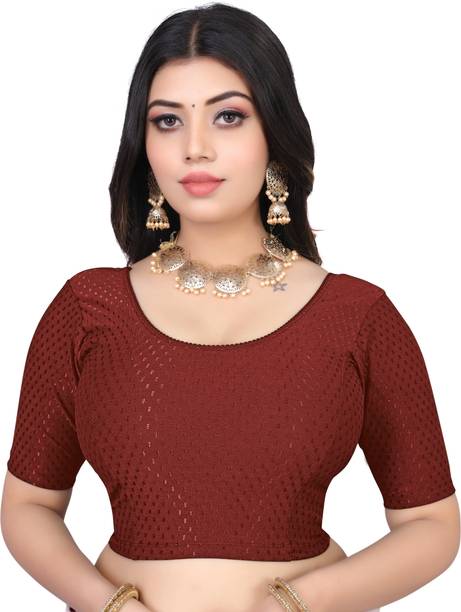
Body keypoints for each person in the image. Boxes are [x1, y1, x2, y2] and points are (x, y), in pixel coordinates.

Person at [1, 3, 458, 612]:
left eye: (228, 117)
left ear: (275, 133)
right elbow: (29, 506)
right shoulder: (89, 310)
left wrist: (294, 604)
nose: (195, 148)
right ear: (144, 142)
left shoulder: (357, 316)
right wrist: (108, 605)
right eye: (167, 121)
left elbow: (431, 525)